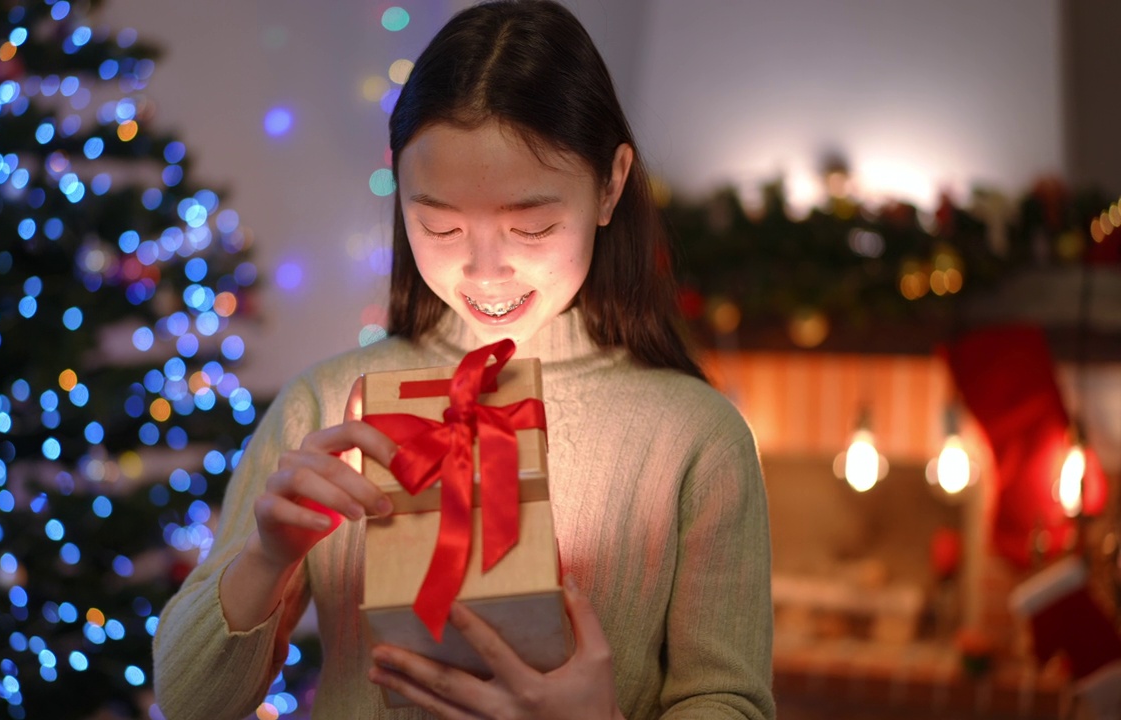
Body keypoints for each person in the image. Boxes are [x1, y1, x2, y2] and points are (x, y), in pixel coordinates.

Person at [152, 1, 775, 718]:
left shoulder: (695, 437)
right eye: (439, 224)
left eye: (532, 225)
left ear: (610, 183)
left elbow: (731, 701)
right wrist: (266, 559)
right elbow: (190, 702)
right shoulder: (326, 407)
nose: (486, 271)